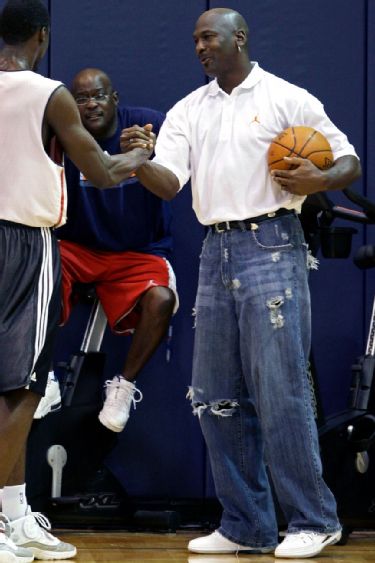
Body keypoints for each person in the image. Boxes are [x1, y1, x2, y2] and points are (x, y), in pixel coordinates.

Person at [125, 7, 362, 559]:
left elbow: (347, 157)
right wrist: (139, 160)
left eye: (209, 37)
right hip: (215, 249)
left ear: (240, 38)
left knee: (281, 389)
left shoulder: (285, 96)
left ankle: (313, 519)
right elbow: (168, 183)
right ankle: (246, 523)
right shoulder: (189, 108)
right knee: (215, 394)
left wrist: (322, 177)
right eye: (195, 40)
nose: (200, 47)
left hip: (273, 242)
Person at [0, 1, 155, 561]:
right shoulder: (48, 93)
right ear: (42, 36)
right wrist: (137, 155)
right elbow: (100, 172)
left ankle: (15, 514)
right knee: (21, 385)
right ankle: (1, 519)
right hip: (23, 240)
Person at [34, 67, 178, 433]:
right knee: (35, 272)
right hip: (78, 247)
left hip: (137, 250)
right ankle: (42, 376)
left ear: (114, 98)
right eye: (81, 98)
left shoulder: (147, 126)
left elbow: (174, 178)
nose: (91, 104)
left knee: (161, 300)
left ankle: (123, 387)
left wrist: (147, 154)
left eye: (98, 95)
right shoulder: (63, 132)